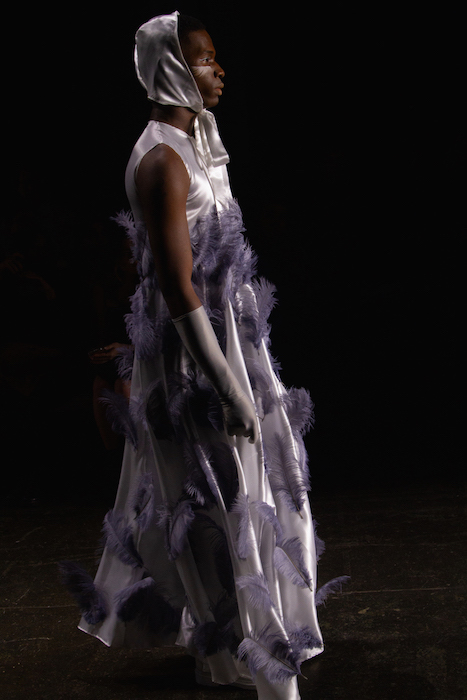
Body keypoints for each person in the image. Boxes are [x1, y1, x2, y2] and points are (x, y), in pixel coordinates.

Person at [60, 12, 347, 700]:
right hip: (198, 355)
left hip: (229, 339)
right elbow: (174, 281)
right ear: (171, 70)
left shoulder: (195, 143)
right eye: (205, 59)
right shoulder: (161, 158)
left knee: (251, 483)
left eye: (215, 58)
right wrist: (223, 382)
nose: (219, 69)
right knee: (217, 498)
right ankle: (235, 650)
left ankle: (260, 634)